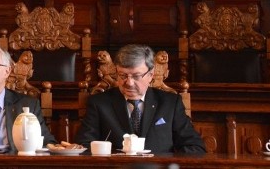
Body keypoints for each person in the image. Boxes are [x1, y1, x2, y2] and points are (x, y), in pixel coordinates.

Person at [75, 44, 206, 154]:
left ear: (151, 75)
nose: (129, 83)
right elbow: (83, 147)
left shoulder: (170, 103)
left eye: (136, 76)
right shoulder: (99, 103)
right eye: (122, 76)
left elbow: (195, 147)